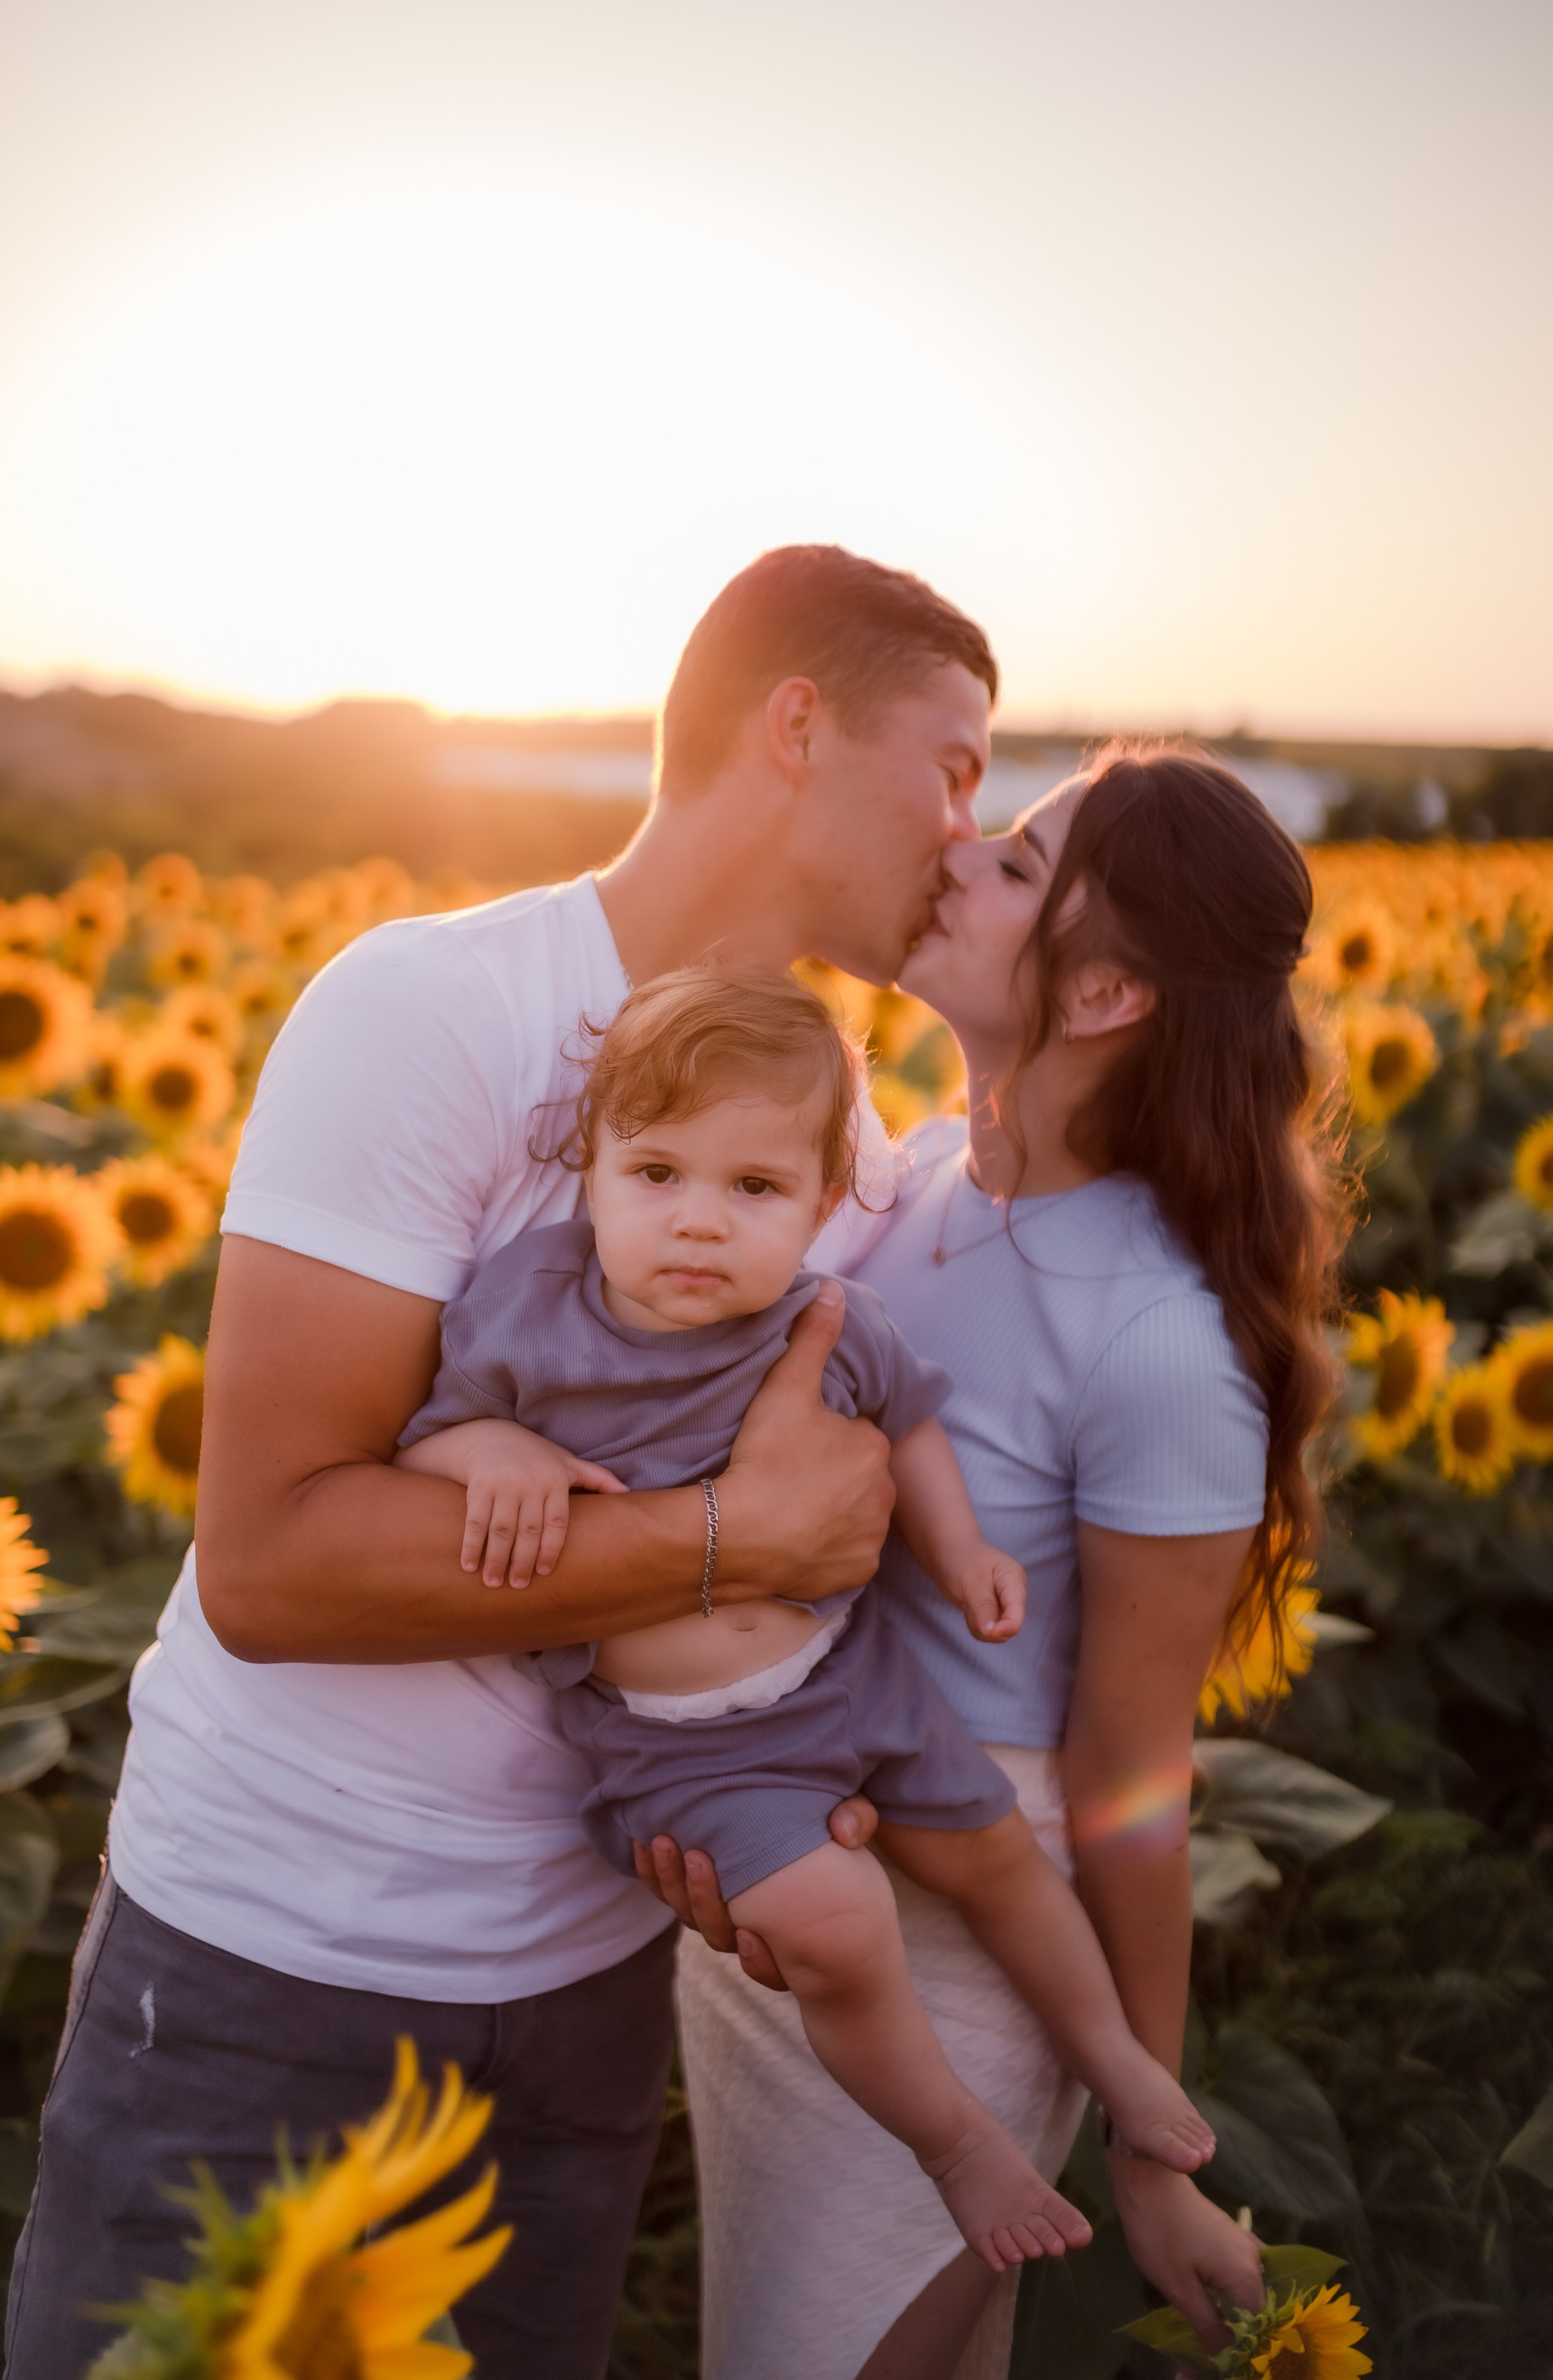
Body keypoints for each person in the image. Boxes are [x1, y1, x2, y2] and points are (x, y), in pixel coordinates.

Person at [4, 545, 1000, 2380]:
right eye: (950, 765)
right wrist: (720, 1546)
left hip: (586, 1985)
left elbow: (849, 1493)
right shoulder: (434, 1009)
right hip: (277, 1964)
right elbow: (276, 1565)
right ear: (796, 725)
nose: (968, 824)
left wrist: (791, 1774)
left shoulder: (841, 1123)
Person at [644, 746, 1345, 2380]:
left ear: (1104, 993)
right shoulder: (916, 1177)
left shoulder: (1162, 1341)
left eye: (1022, 864)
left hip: (960, 1955)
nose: (959, 856)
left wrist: (1152, 2146)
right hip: (787, 1891)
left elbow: (1129, 1774)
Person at [396, 965, 1217, 2274]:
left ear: (823, 1205)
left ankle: (1117, 2061)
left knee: (1002, 1860)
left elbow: (912, 1422)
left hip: (853, 1673)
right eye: (653, 1174)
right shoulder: (530, 1308)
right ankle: (953, 2144)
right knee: (837, 1930)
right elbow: (431, 1438)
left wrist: (958, 1556)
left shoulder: (824, 1319)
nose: (697, 1225)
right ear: (587, 1166)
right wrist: (490, 1450)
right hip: (685, 1746)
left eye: (754, 1189)